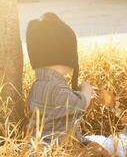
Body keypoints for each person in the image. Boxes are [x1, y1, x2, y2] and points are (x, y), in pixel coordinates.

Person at [26, 12, 111, 156]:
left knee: (95, 146)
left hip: (46, 145)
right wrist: (86, 90)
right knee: (100, 151)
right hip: (57, 149)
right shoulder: (55, 87)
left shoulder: (38, 85)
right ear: (63, 57)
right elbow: (77, 105)